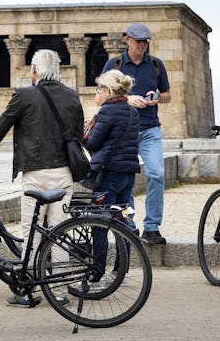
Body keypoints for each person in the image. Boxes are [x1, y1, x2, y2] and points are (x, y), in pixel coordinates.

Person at [0, 49, 82, 308]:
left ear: (35, 70)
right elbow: (77, 133)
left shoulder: (25, 95)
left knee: (32, 232)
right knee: (59, 232)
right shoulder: (72, 95)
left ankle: (26, 291)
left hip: (36, 174)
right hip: (63, 172)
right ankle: (60, 292)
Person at [102, 22, 171, 245]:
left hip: (150, 128)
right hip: (124, 132)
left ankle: (152, 227)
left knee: (157, 174)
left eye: (145, 41)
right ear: (127, 40)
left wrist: (157, 97)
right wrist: (126, 98)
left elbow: (168, 95)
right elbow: (99, 98)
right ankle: (129, 226)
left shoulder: (156, 64)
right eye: (138, 41)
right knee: (125, 180)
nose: (142, 45)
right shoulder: (115, 64)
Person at [82, 70, 140, 288]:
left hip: (109, 176)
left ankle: (96, 272)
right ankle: (121, 268)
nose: (97, 93)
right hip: (128, 175)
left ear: (107, 91)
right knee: (124, 219)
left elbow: (92, 144)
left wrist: (89, 126)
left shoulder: (107, 112)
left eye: (99, 90)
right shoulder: (132, 111)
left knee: (100, 222)